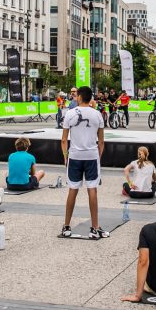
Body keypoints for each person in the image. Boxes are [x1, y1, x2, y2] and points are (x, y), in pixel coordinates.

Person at [61, 86, 108, 239]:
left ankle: (66, 227)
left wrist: (65, 156)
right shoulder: (97, 115)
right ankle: (95, 228)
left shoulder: (69, 113)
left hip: (74, 155)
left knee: (72, 190)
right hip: (91, 155)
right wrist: (98, 157)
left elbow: (63, 139)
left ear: (80, 97)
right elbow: (101, 141)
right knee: (92, 189)